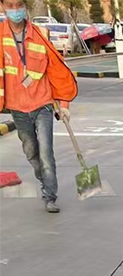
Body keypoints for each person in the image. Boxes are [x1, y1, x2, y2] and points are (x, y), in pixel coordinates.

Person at [0, 0, 78, 213]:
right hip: (17, 107)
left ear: (25, 6)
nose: (15, 10)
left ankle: (50, 195)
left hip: (42, 104)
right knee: (31, 151)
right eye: (10, 5)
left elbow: (56, 70)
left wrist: (63, 104)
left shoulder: (40, 34)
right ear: (2, 7)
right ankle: (44, 179)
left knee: (45, 152)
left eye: (18, 5)